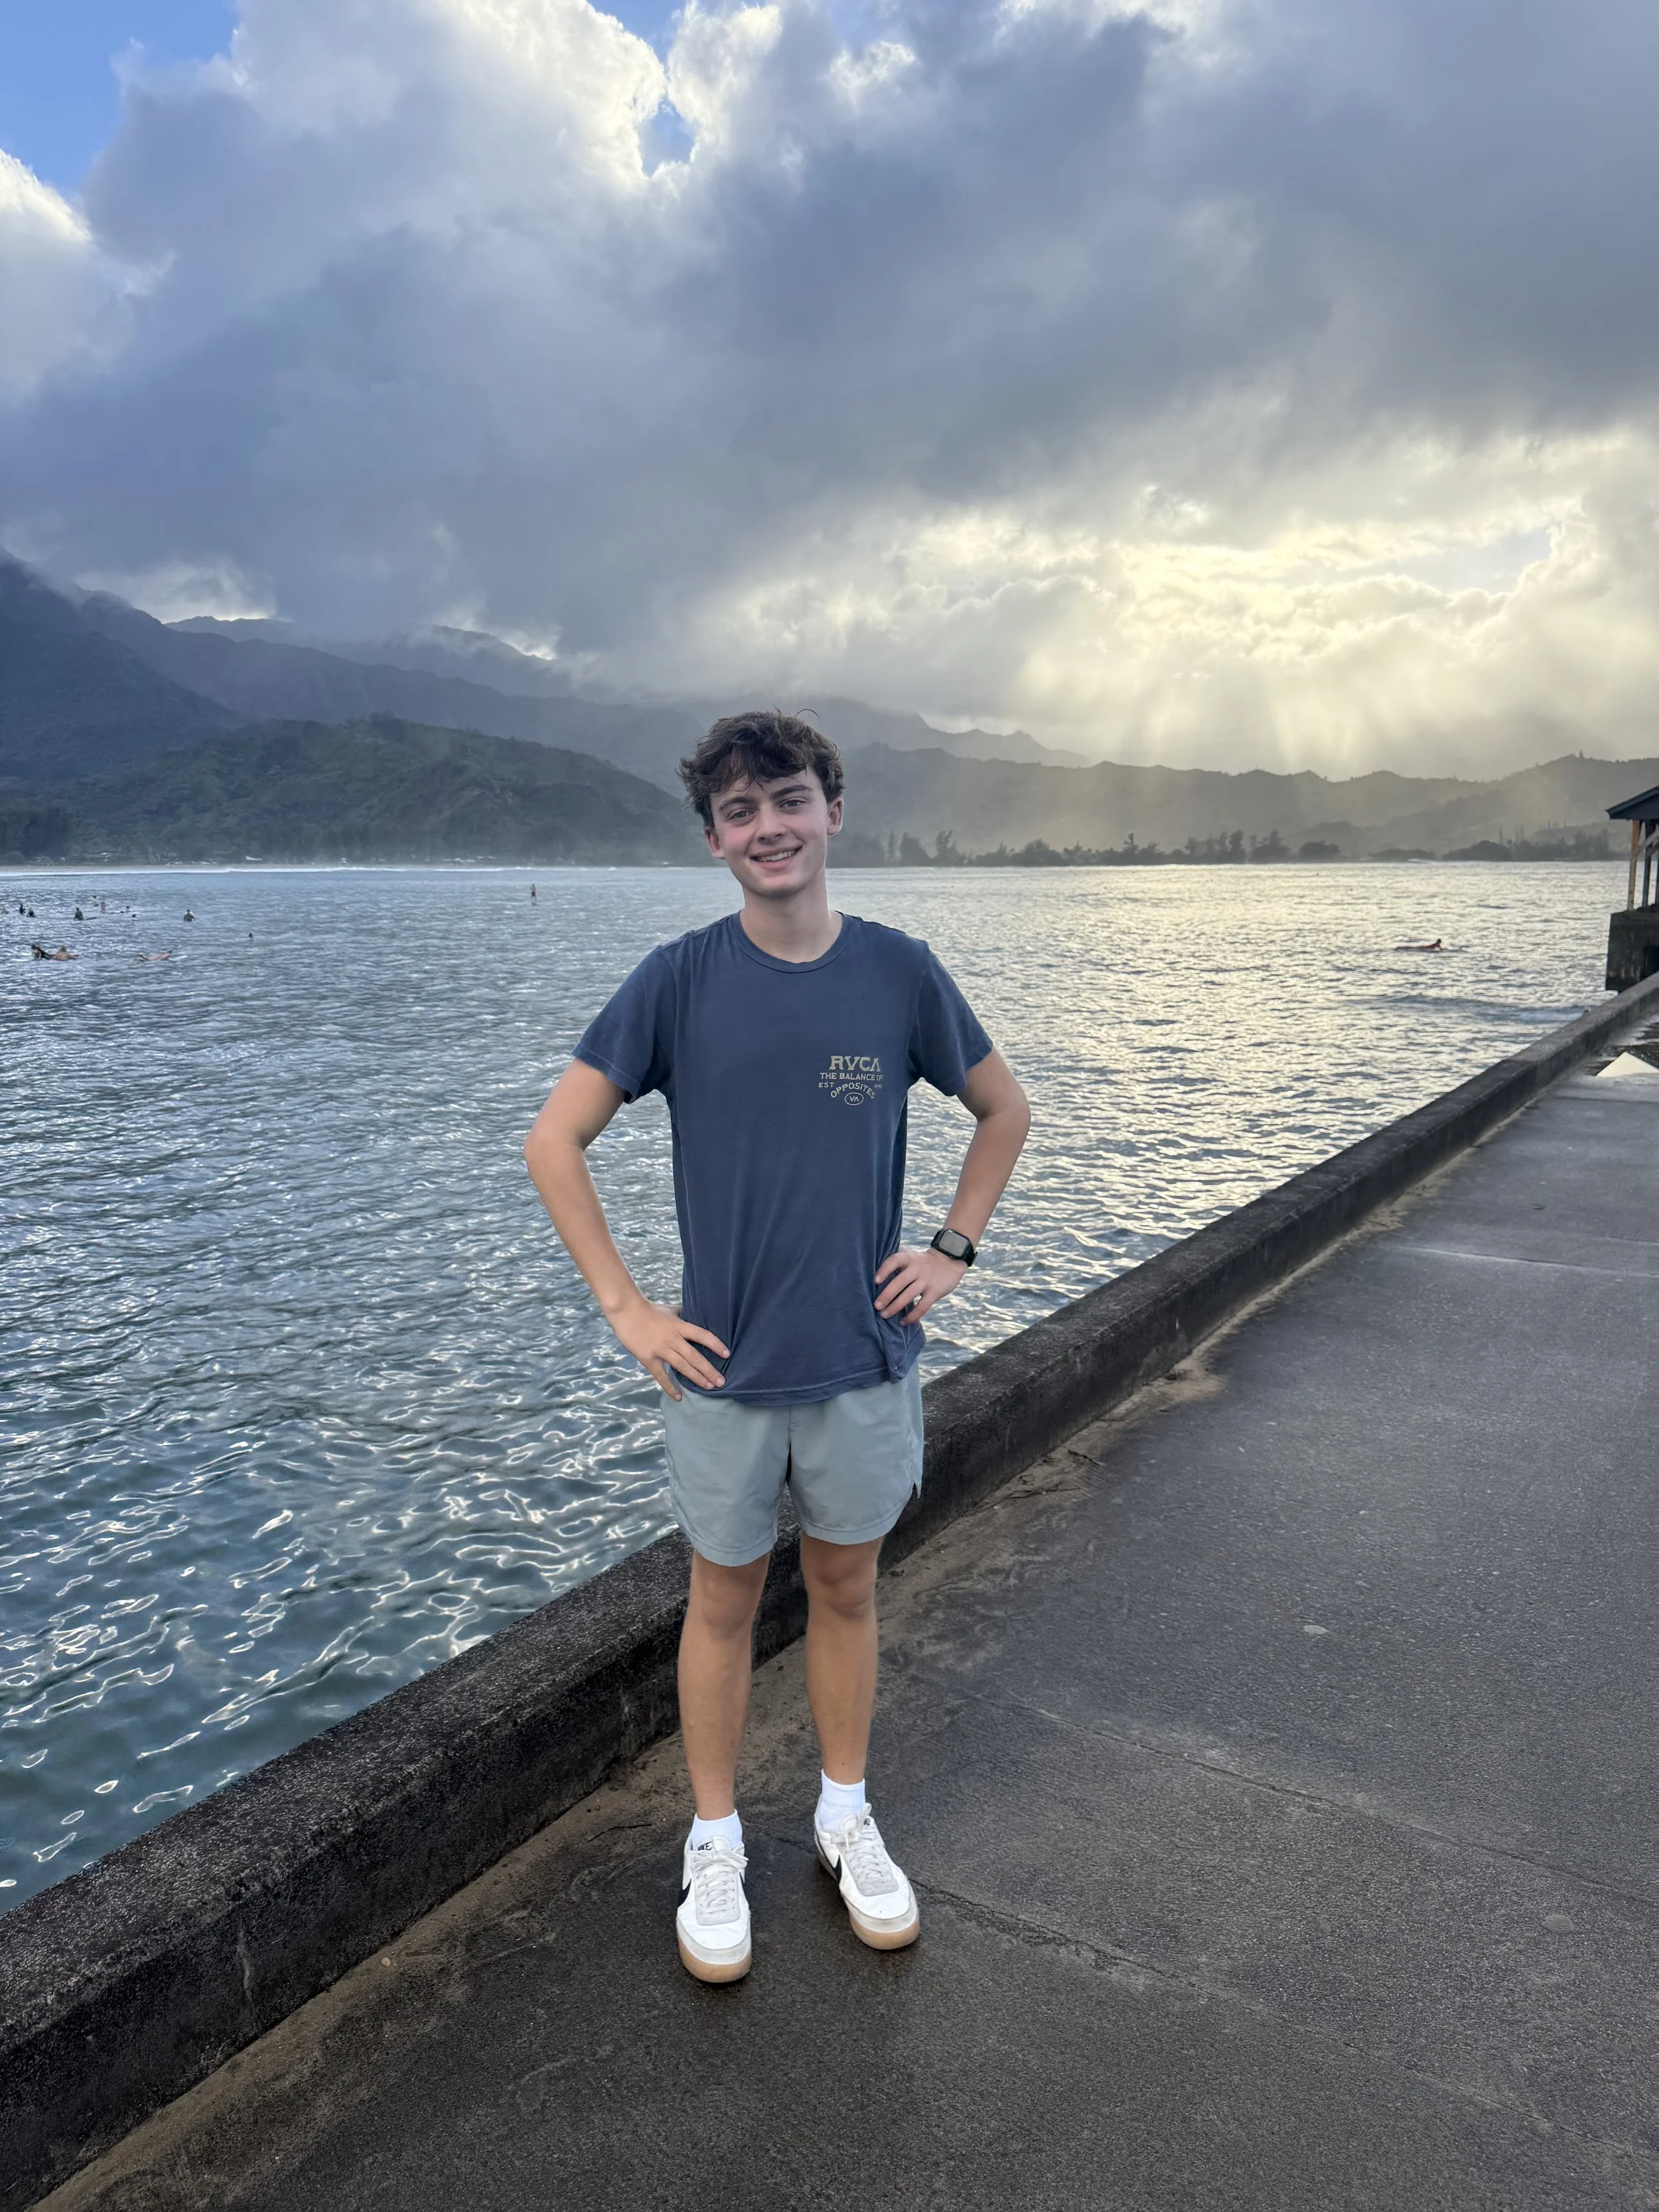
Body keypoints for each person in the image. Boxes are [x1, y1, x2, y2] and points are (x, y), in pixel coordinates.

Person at [524, 710, 1030, 1984]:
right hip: (722, 1373)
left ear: (832, 811)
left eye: (789, 800)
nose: (770, 828)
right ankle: (713, 1837)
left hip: (861, 1360)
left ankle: (846, 1814)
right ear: (715, 840)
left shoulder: (899, 972)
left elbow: (1003, 1109)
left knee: (850, 1591)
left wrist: (951, 1251)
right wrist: (630, 1311)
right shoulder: (680, 980)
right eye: (741, 814)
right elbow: (553, 1142)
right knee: (723, 1601)